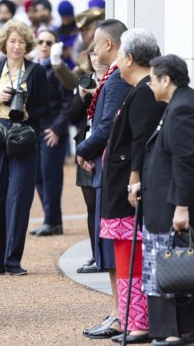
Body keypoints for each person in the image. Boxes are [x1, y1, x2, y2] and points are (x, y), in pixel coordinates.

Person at [140, 54, 194, 346]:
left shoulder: (184, 109)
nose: (150, 85)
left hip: (176, 207)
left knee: (173, 268)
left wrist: (181, 208)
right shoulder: (182, 103)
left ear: (166, 79)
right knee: (179, 268)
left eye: (153, 79)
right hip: (169, 203)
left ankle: (174, 332)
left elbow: (187, 163)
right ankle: (186, 331)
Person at [99, 28, 165, 344]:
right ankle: (131, 319)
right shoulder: (140, 89)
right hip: (124, 186)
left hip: (130, 190)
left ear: (128, 57)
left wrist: (134, 179)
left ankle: (138, 322)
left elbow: (141, 140)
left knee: (132, 257)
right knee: (126, 256)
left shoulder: (143, 91)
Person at [0, 20, 49, 276]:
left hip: (23, 136)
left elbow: (45, 108)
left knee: (19, 198)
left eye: (21, 42)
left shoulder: (36, 71)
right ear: (4, 44)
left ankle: (13, 259)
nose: (17, 46)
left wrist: (28, 111)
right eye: (12, 41)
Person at [77, 19, 131, 339]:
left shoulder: (117, 80)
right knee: (110, 249)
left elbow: (107, 126)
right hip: (106, 170)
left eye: (96, 44)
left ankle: (120, 314)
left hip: (111, 173)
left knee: (114, 250)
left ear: (109, 45)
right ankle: (117, 311)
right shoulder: (112, 77)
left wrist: (83, 148)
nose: (94, 51)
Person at [29, 30, 73, 236]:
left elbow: (68, 103)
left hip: (52, 130)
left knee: (50, 176)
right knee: (36, 175)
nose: (44, 45)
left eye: (49, 42)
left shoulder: (59, 69)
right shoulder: (31, 67)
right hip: (35, 129)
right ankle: (51, 219)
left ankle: (53, 221)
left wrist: (57, 129)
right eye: (41, 42)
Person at [69, 43, 108, 273]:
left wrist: (98, 94)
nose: (95, 58)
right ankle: (95, 255)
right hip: (85, 147)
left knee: (105, 206)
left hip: (103, 148)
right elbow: (73, 117)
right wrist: (83, 95)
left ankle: (106, 256)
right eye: (91, 54)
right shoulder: (85, 80)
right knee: (91, 206)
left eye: (97, 52)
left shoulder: (113, 80)